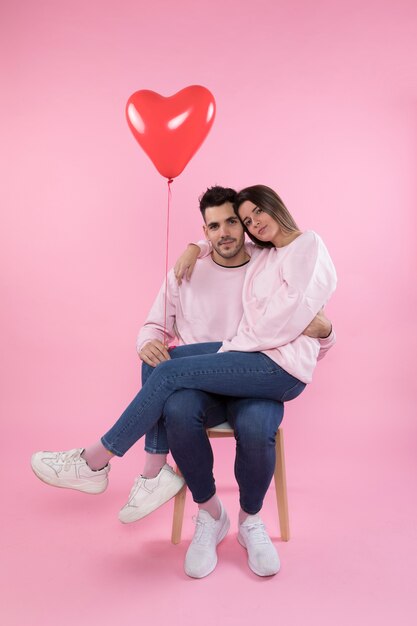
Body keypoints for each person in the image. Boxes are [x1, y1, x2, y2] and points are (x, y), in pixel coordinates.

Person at [31, 184, 337, 578]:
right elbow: (153, 327)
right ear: (205, 231)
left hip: (255, 373)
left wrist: (326, 330)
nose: (229, 231)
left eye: (236, 222)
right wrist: (147, 342)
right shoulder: (188, 268)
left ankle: (248, 519)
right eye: (217, 226)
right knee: (170, 387)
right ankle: (208, 512)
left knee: (256, 424)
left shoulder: (271, 256)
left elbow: (306, 319)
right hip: (205, 384)